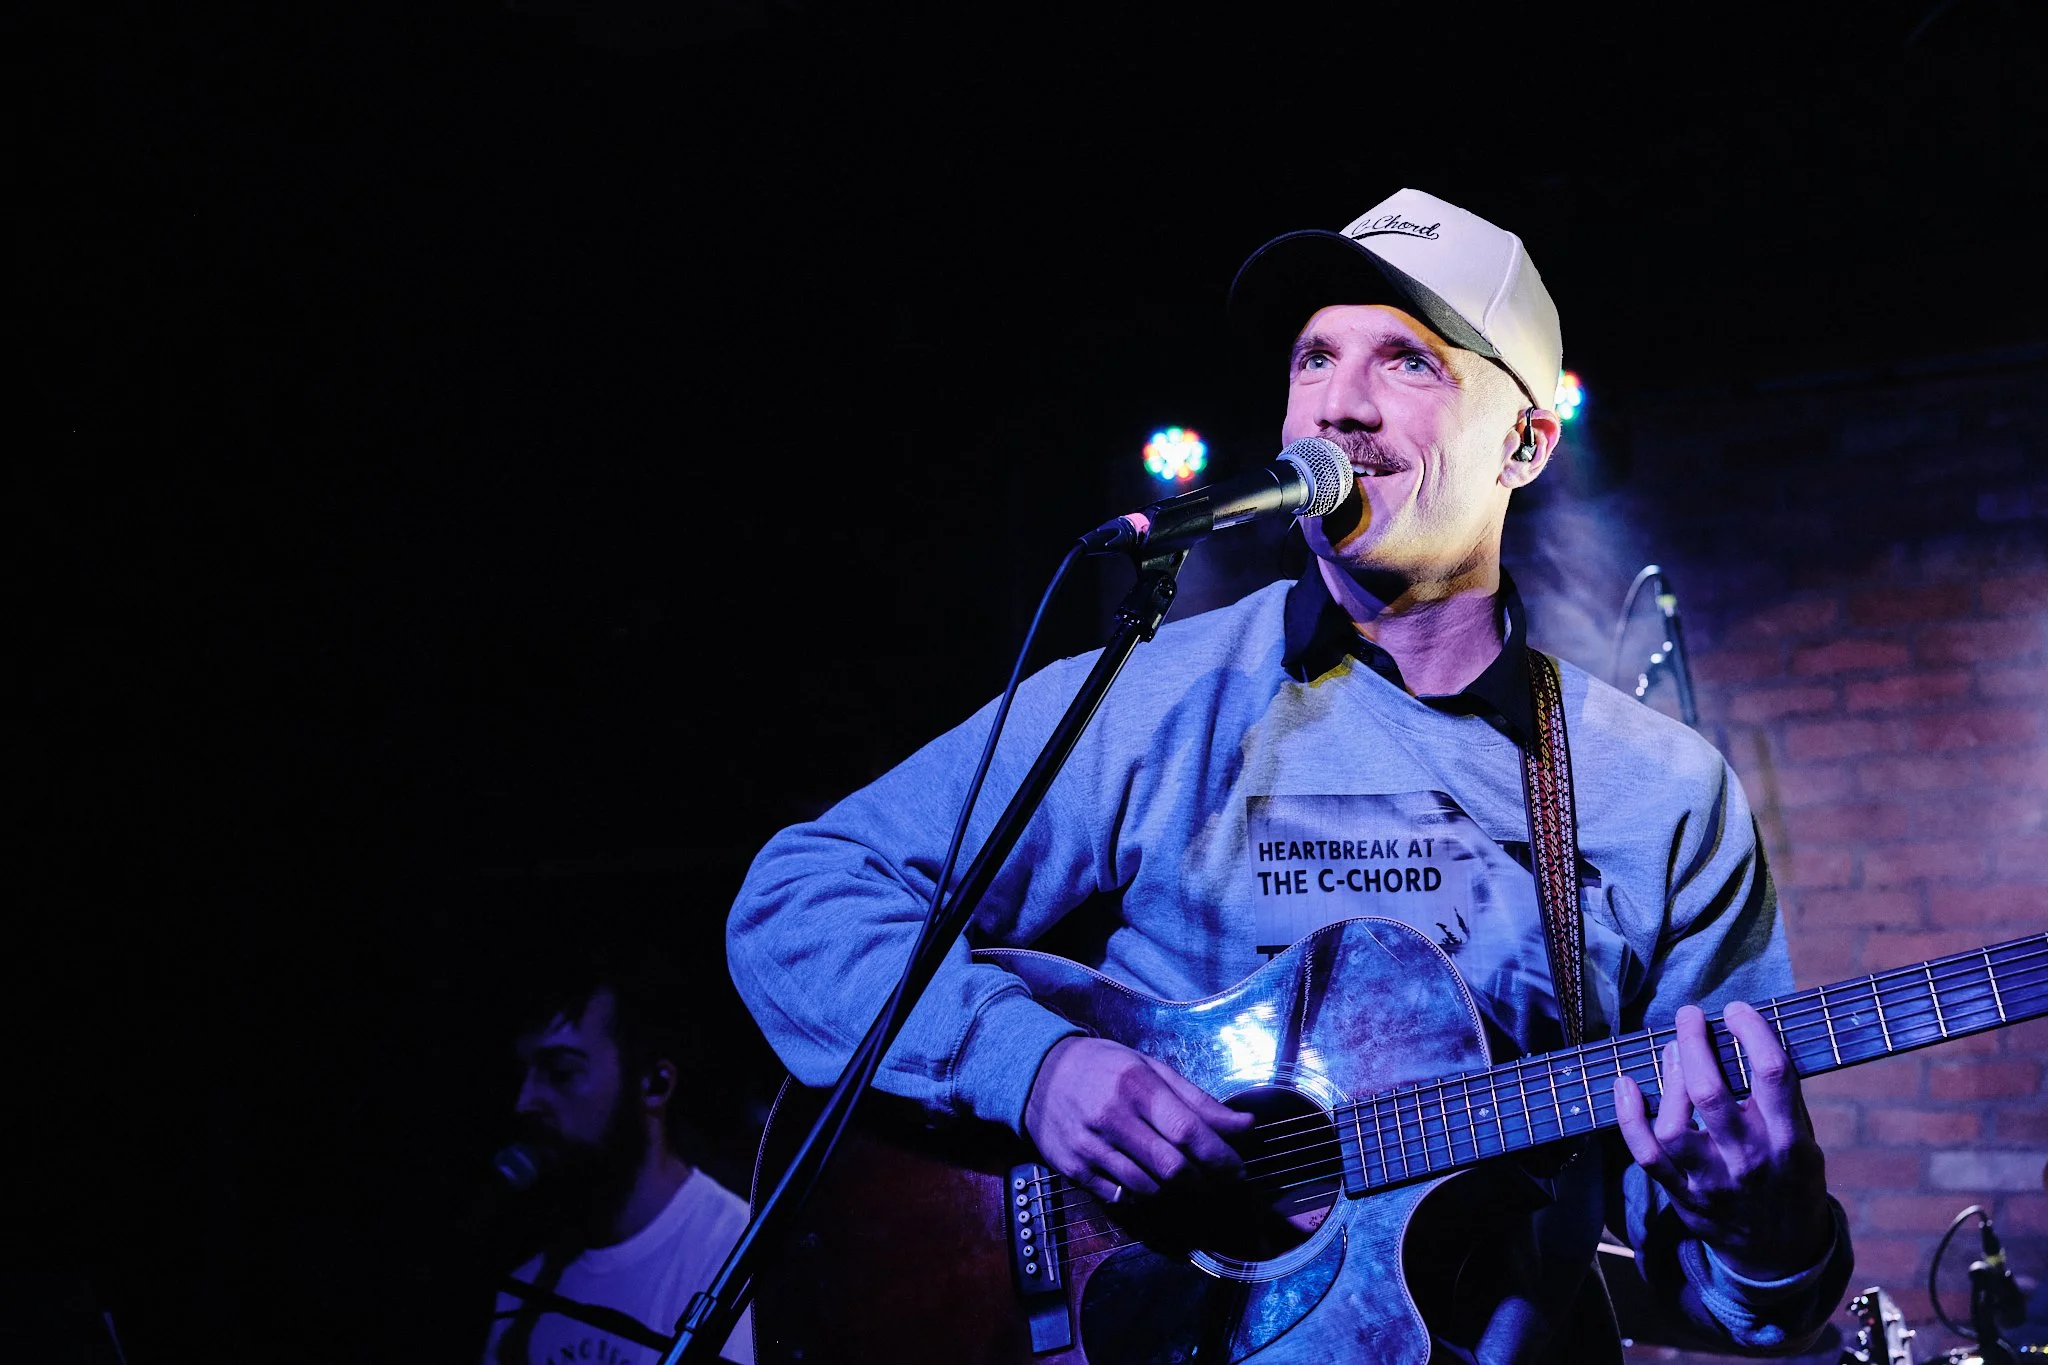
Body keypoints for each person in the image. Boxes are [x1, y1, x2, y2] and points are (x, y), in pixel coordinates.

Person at [726, 187, 1853, 1360]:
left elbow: (1720, 1295)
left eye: (1406, 363)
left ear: (1521, 442)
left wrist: (1763, 1234)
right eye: (1312, 358)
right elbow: (799, 898)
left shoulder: (1658, 796)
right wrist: (1036, 1067)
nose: (1337, 407)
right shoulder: (1154, 695)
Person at [487, 957, 755, 1365]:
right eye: (523, 1076)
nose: (526, 1102)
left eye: (560, 1072)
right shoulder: (522, 1280)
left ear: (655, 1085)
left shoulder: (732, 1256)